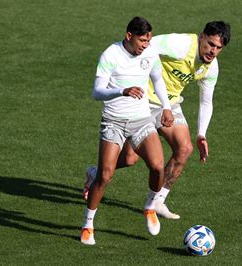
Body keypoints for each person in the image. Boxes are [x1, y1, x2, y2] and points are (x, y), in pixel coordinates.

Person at [84, 21, 231, 220]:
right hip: (142, 103)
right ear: (202, 36)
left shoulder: (210, 69)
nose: (213, 51)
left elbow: (206, 102)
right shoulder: (180, 44)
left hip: (168, 106)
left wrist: (201, 133)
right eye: (211, 44)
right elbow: (146, 45)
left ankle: (157, 202)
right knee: (129, 159)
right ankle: (96, 173)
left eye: (218, 48)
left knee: (185, 148)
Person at [80, 17, 174, 245]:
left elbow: (158, 79)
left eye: (149, 40)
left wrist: (167, 107)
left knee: (158, 166)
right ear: (129, 35)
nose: (146, 44)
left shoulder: (150, 54)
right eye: (142, 40)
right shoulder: (110, 55)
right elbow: (97, 92)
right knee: (105, 175)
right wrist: (122, 91)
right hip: (113, 121)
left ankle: (150, 208)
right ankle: (88, 225)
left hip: (141, 120)